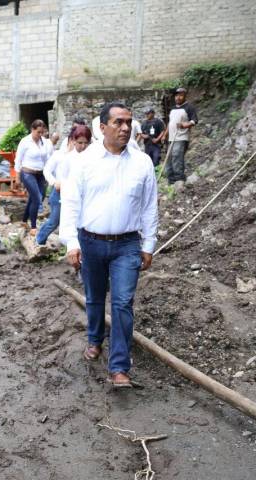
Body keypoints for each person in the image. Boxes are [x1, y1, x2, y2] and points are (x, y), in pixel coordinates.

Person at [59, 101, 158, 388]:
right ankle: (94, 338)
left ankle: (119, 367)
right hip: (90, 242)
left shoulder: (142, 163)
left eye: (128, 122)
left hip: (128, 244)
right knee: (94, 296)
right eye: (118, 122)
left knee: (123, 302)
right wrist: (71, 242)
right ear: (102, 128)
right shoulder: (84, 161)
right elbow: (71, 203)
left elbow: (150, 206)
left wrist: (148, 244)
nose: (125, 128)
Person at [36, 125, 92, 246]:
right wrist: (54, 182)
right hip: (61, 193)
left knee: (79, 223)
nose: (83, 146)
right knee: (54, 221)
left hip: (80, 195)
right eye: (80, 143)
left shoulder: (90, 157)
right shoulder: (63, 156)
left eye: (86, 143)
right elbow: (48, 171)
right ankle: (38, 241)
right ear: (72, 140)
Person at [15, 119, 51, 235]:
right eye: (38, 132)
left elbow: (47, 159)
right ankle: (33, 227)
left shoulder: (44, 142)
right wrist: (17, 177)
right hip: (27, 173)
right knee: (36, 197)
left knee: (39, 196)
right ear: (32, 129)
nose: (40, 134)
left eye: (42, 132)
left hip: (41, 174)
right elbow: (18, 159)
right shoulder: (25, 141)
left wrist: (48, 174)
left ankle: (24, 220)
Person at [162, 87, 198, 189]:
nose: (178, 97)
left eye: (181, 95)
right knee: (169, 158)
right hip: (171, 138)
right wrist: (165, 134)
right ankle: (171, 180)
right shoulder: (173, 108)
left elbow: (194, 120)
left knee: (177, 156)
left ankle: (179, 179)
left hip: (181, 137)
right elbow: (170, 123)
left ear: (185, 96)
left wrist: (185, 125)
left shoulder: (189, 107)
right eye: (177, 95)